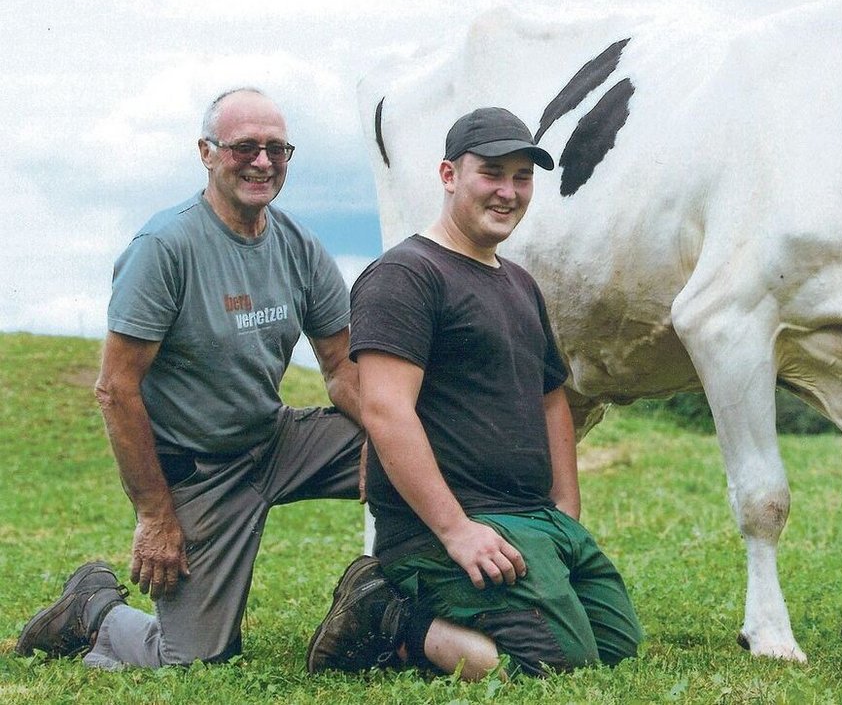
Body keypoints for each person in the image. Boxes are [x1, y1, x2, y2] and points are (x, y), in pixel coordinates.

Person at [16, 88, 363, 668]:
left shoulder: (299, 245)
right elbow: (116, 389)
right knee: (193, 660)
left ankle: (399, 603)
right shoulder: (165, 247)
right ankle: (93, 610)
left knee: (424, 452)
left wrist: (390, 439)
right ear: (206, 152)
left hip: (275, 440)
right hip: (198, 470)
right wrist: (155, 514)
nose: (262, 161)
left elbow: (341, 368)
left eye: (277, 148)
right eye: (244, 147)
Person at [306, 107, 642, 680]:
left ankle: (484, 595)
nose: (508, 192)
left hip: (534, 516)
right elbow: (386, 410)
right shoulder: (405, 275)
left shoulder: (518, 283)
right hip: (446, 526)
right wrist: (456, 530)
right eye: (492, 173)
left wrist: (566, 509)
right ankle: (387, 616)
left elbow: (551, 397)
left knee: (616, 645)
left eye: (522, 177)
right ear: (448, 175)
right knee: (553, 665)